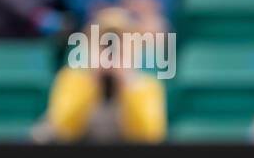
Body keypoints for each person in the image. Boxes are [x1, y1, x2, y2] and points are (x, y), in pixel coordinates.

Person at [32, 7, 166, 143]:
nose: (111, 47)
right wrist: (91, 80)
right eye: (104, 40)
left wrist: (127, 83)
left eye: (120, 39)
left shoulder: (146, 86)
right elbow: (64, 130)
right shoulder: (72, 79)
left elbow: (150, 136)